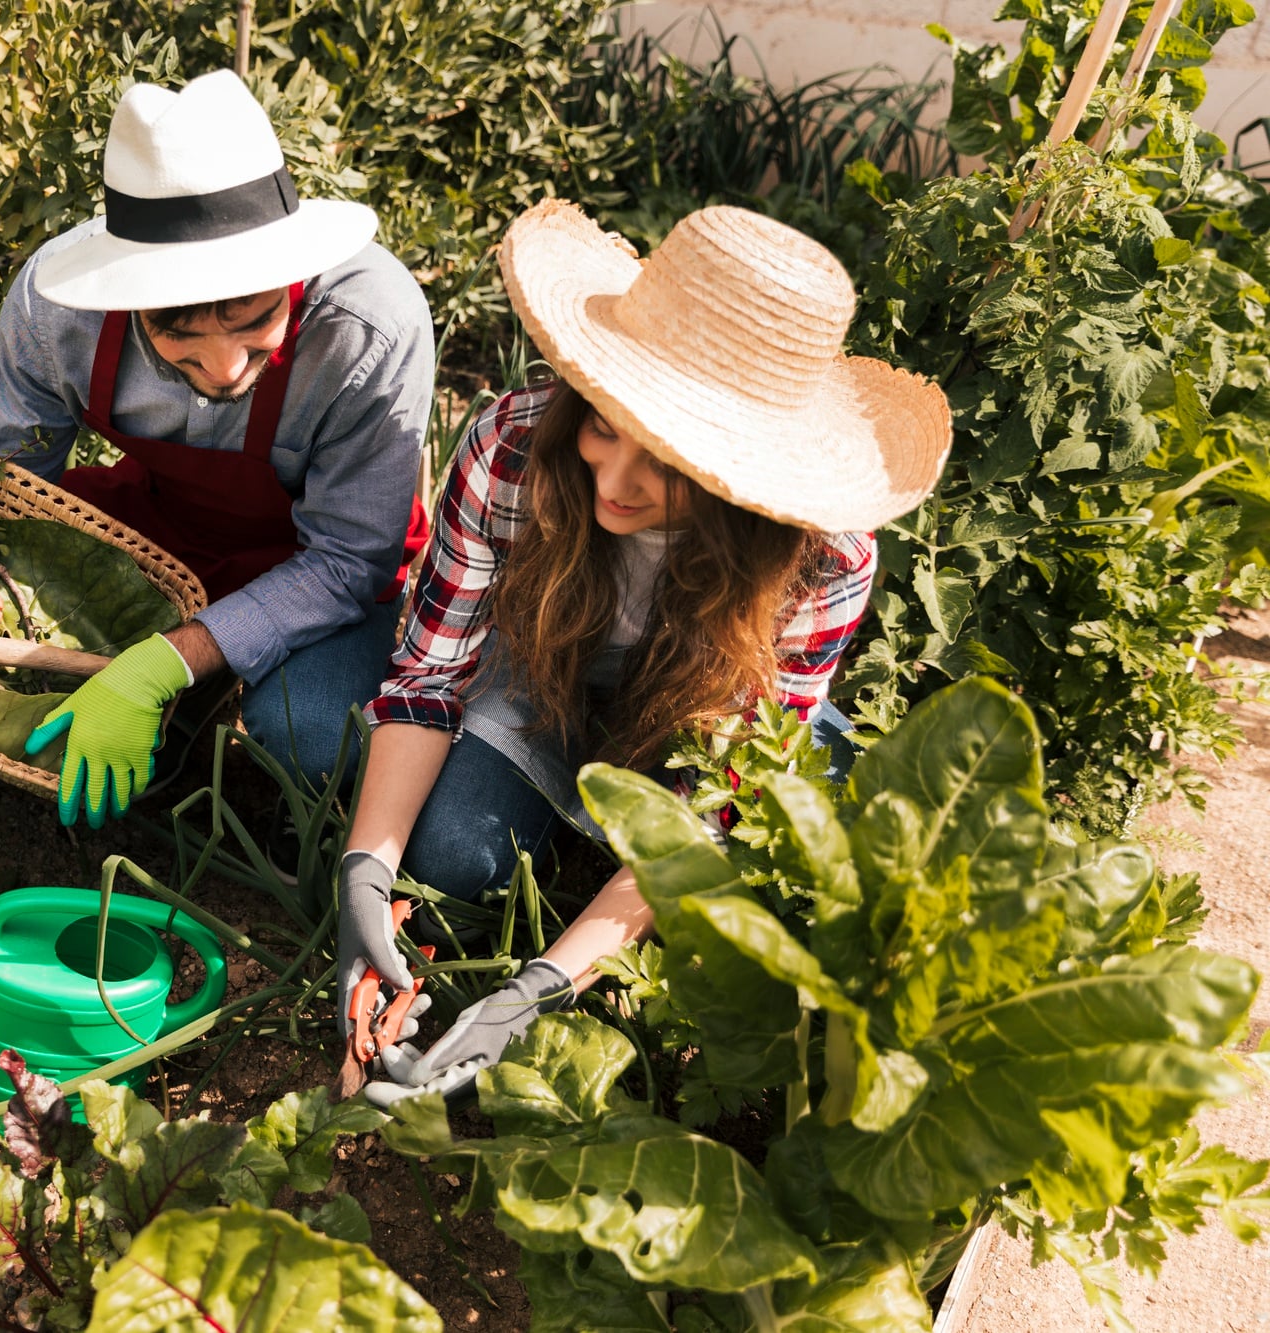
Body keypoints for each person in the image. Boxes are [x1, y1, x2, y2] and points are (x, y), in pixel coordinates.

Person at [338, 199, 951, 1104]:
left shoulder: (823, 559)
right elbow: (433, 673)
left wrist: (539, 990)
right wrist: (363, 873)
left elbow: (715, 802)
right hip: (548, 683)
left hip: (697, 730)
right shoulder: (514, 448)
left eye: (665, 465)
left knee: (777, 888)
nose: (612, 484)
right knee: (454, 855)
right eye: (602, 425)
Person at [0, 69, 433, 828]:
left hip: (316, 568)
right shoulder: (56, 314)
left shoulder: (371, 326)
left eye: (253, 320)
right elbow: (11, 498)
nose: (224, 366)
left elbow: (350, 559)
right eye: (177, 333)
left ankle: (200, 694)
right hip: (158, 528)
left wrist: (168, 660)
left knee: (310, 734)